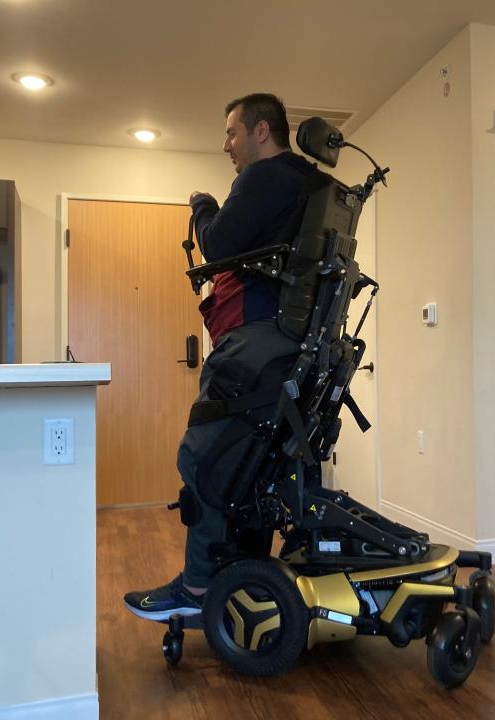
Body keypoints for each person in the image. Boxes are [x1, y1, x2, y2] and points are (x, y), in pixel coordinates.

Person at [124, 93, 318, 620]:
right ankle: (245, 575)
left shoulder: (264, 177)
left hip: (254, 342)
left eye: (232, 133)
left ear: (260, 130)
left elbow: (218, 245)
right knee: (257, 463)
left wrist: (204, 206)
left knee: (204, 457)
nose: (226, 144)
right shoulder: (313, 185)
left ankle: (198, 589)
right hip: (293, 347)